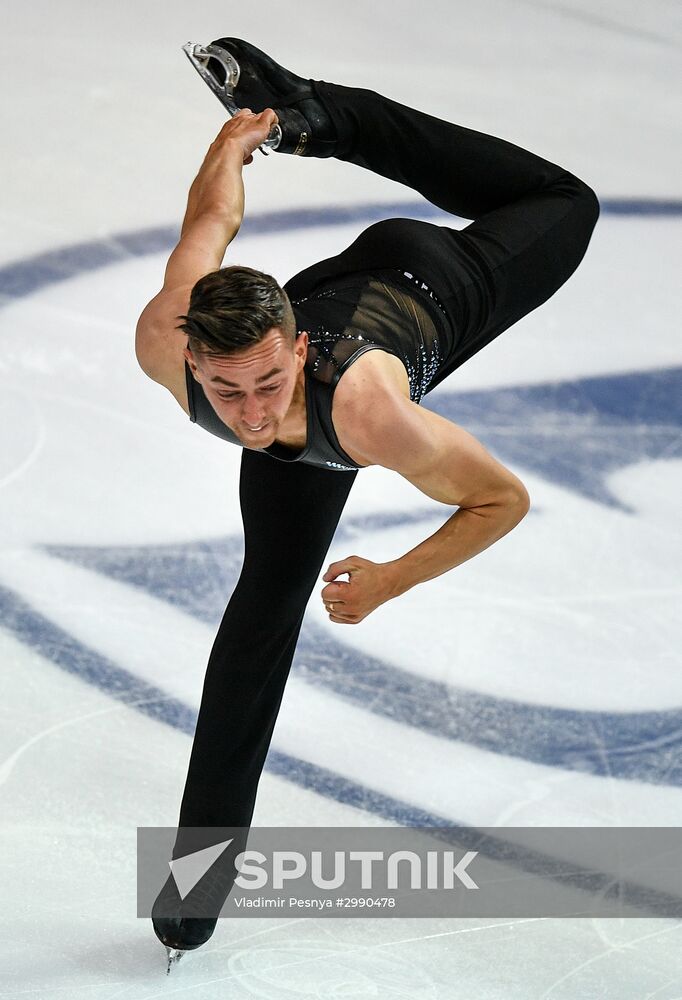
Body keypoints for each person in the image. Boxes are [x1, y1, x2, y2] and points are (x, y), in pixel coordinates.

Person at [135, 37, 599, 958]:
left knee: (564, 205)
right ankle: (195, 889)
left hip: (432, 281)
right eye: (227, 393)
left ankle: (326, 114)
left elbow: (498, 501)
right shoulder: (167, 339)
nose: (253, 416)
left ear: (296, 352)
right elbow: (208, 225)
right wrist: (227, 149)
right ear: (191, 360)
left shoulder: (373, 414)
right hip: (323, 305)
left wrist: (392, 577)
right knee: (262, 608)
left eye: (267, 385)